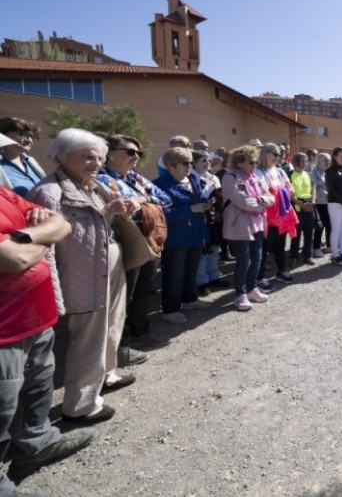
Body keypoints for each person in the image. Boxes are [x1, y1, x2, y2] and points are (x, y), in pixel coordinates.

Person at [29, 128, 139, 423]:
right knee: (88, 337)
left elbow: (102, 218)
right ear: (63, 156)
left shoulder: (93, 184)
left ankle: (107, 375)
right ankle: (79, 405)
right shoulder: (48, 191)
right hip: (82, 275)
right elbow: (46, 245)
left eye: (100, 157)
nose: (96, 162)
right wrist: (51, 294)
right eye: (88, 156)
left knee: (113, 323)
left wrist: (124, 208)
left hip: (108, 266)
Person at [0, 175, 98, 493]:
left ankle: (36, 444)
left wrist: (25, 236)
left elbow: (61, 225)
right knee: (2, 406)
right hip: (3, 331)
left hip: (35, 318)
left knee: (38, 388)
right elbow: (15, 259)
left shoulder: (4, 194)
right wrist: (41, 237)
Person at [98, 134, 172, 362]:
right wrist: (144, 202)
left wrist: (139, 202)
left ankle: (140, 331)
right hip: (123, 240)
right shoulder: (101, 179)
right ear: (110, 153)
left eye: (138, 153)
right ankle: (116, 347)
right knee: (122, 294)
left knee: (143, 287)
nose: (135, 157)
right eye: (130, 152)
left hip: (147, 237)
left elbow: (166, 199)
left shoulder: (135, 179)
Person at [153, 148, 213, 324]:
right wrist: (189, 210)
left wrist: (206, 204)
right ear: (171, 166)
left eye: (190, 163)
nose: (190, 167)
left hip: (195, 233)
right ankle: (170, 309)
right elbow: (160, 213)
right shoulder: (159, 184)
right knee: (174, 273)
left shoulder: (193, 179)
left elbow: (199, 198)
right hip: (176, 237)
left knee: (190, 269)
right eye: (185, 163)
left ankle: (189, 299)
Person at [222, 145, 275, 311]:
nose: (254, 165)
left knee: (257, 258)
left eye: (256, 162)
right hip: (240, 225)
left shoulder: (256, 178)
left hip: (258, 224)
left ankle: (252, 289)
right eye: (251, 162)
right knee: (244, 260)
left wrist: (259, 201)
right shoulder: (230, 177)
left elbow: (271, 198)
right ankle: (240, 294)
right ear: (239, 162)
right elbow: (243, 202)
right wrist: (261, 203)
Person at [256, 143, 297, 287]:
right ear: (265, 153)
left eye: (279, 154)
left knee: (280, 245)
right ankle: (259, 277)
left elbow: (289, 187)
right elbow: (262, 191)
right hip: (265, 216)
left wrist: (288, 191)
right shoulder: (258, 171)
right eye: (274, 154)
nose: (277, 157)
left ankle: (281, 271)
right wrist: (281, 190)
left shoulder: (279, 171)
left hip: (281, 214)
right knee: (263, 247)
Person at [191, 149, 225, 297]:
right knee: (203, 252)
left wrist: (214, 202)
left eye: (209, 161)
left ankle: (213, 276)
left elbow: (219, 196)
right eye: (203, 161)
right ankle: (202, 282)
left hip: (214, 218)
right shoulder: (191, 178)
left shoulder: (214, 177)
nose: (207, 164)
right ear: (194, 163)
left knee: (214, 248)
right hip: (201, 218)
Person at [0, 116, 46, 196]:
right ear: (3, 135)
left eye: (31, 136)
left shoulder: (31, 162)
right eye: (22, 134)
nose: (29, 140)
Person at [288, 153, 316, 266]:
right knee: (296, 234)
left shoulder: (309, 175)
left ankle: (308, 255)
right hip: (296, 206)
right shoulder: (289, 174)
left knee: (309, 233)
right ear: (296, 162)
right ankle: (293, 256)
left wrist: (313, 201)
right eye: (303, 161)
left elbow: (313, 190)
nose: (305, 163)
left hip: (309, 205)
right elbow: (289, 193)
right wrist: (301, 204)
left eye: (306, 161)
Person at [311, 152, 332, 256]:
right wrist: (325, 191)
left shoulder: (327, 172)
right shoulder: (314, 172)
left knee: (329, 224)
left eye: (329, 160)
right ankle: (316, 248)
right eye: (326, 160)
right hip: (319, 203)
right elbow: (315, 186)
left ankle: (329, 245)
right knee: (320, 226)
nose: (328, 162)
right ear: (319, 161)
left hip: (328, 203)